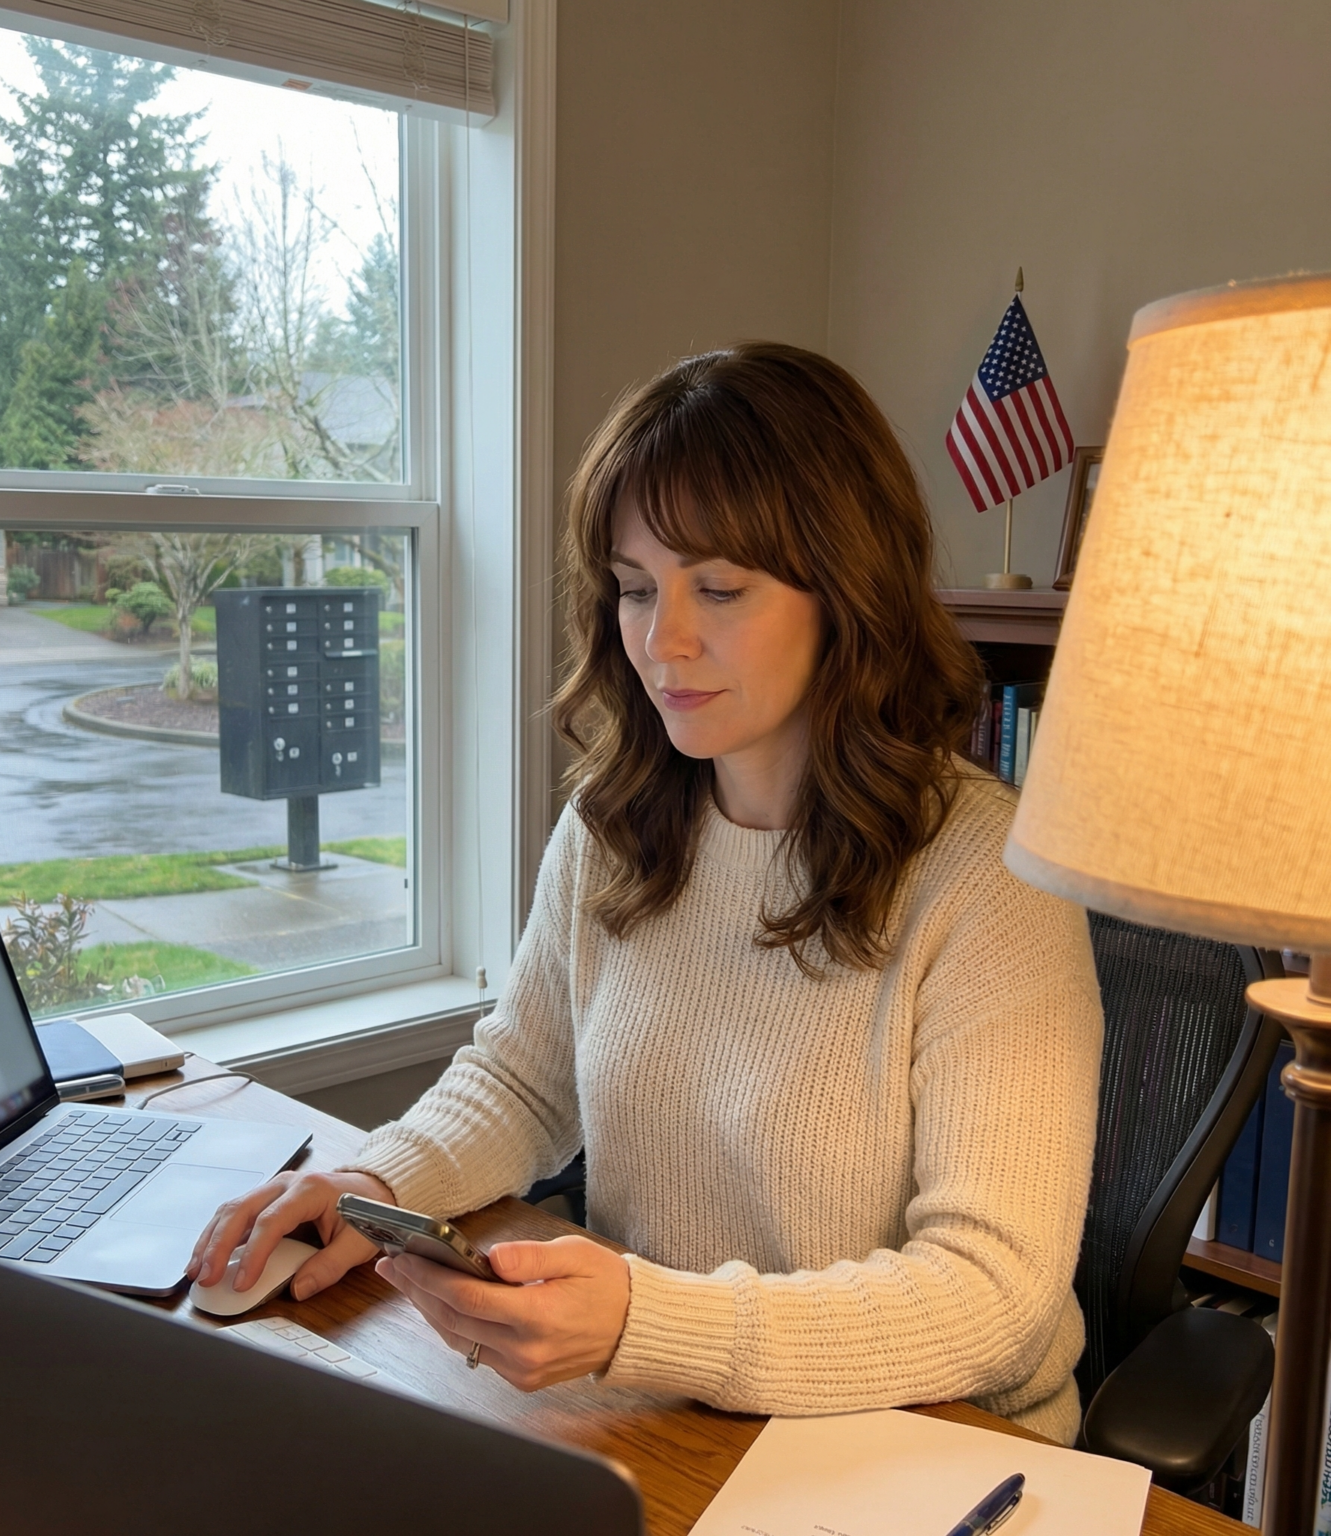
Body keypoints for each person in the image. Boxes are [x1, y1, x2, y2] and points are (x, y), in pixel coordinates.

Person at [189, 343, 1102, 1445]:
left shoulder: (986, 875)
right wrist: (373, 1181)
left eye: (718, 587)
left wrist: (650, 1322)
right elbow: (524, 1079)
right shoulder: (613, 828)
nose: (661, 642)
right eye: (634, 590)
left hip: (938, 1444)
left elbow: (992, 1296)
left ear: (845, 591)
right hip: (673, 1414)